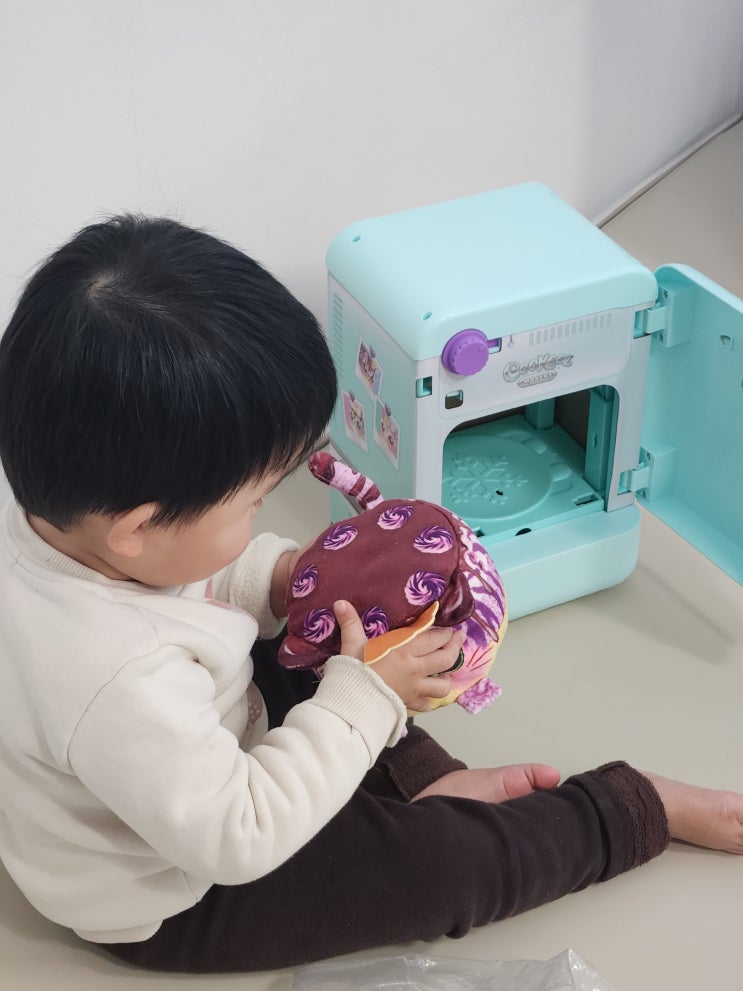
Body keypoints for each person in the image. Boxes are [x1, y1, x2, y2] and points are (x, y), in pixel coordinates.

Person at [0, 215, 740, 975]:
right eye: (254, 501)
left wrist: (286, 579)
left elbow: (190, 584)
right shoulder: (117, 680)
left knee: (334, 637)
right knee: (441, 867)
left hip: (191, 741)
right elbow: (240, 834)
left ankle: (422, 781)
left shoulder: (68, 523)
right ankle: (631, 808)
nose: (262, 514)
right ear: (138, 527)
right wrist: (362, 697)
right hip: (181, 886)